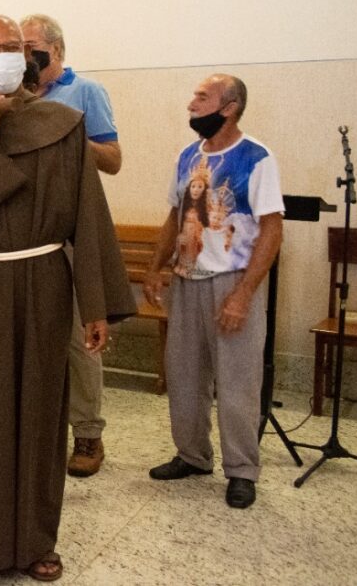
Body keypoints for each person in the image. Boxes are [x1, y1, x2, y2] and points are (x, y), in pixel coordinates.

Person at [0, 15, 134, 582]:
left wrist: (97, 304)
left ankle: (36, 539)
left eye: (13, 46)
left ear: (30, 57)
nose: (5, 55)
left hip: (42, 286)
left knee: (39, 412)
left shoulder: (65, 124)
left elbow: (88, 214)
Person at [143, 74, 283, 510]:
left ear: (229, 107)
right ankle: (192, 455)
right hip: (187, 279)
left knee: (238, 382)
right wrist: (155, 268)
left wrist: (242, 296)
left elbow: (272, 232)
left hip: (232, 283)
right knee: (184, 375)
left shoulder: (256, 158)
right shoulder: (188, 156)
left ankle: (241, 470)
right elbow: (175, 214)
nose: (192, 104)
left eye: (202, 98)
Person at [21, 13, 122, 478]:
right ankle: (36, 432)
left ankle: (87, 433)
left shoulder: (85, 93)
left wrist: (67, 132)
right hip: (26, 234)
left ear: (56, 51)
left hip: (71, 233)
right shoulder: (15, 97)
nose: (24, 54)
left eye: (32, 46)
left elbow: (113, 159)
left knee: (79, 341)